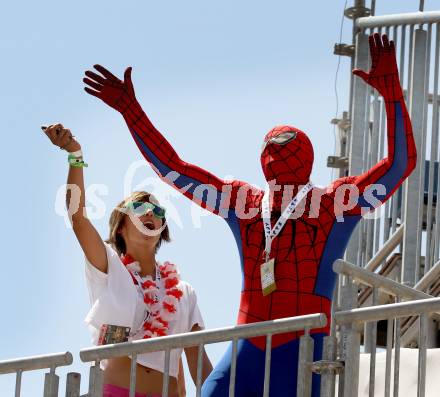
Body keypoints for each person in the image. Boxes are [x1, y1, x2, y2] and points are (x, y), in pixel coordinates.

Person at [83, 33, 416, 396]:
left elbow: (399, 165)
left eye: (284, 147)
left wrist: (393, 96)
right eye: (268, 148)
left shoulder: (335, 202)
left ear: (305, 154)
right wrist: (131, 111)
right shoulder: (244, 203)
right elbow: (172, 168)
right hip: (249, 341)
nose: (274, 153)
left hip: (305, 343)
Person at [42, 123, 212, 396]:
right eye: (140, 207)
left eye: (158, 210)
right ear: (121, 226)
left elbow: (196, 362)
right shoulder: (109, 268)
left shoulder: (184, 292)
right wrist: (75, 154)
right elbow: (79, 220)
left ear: (161, 228)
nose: (151, 213)